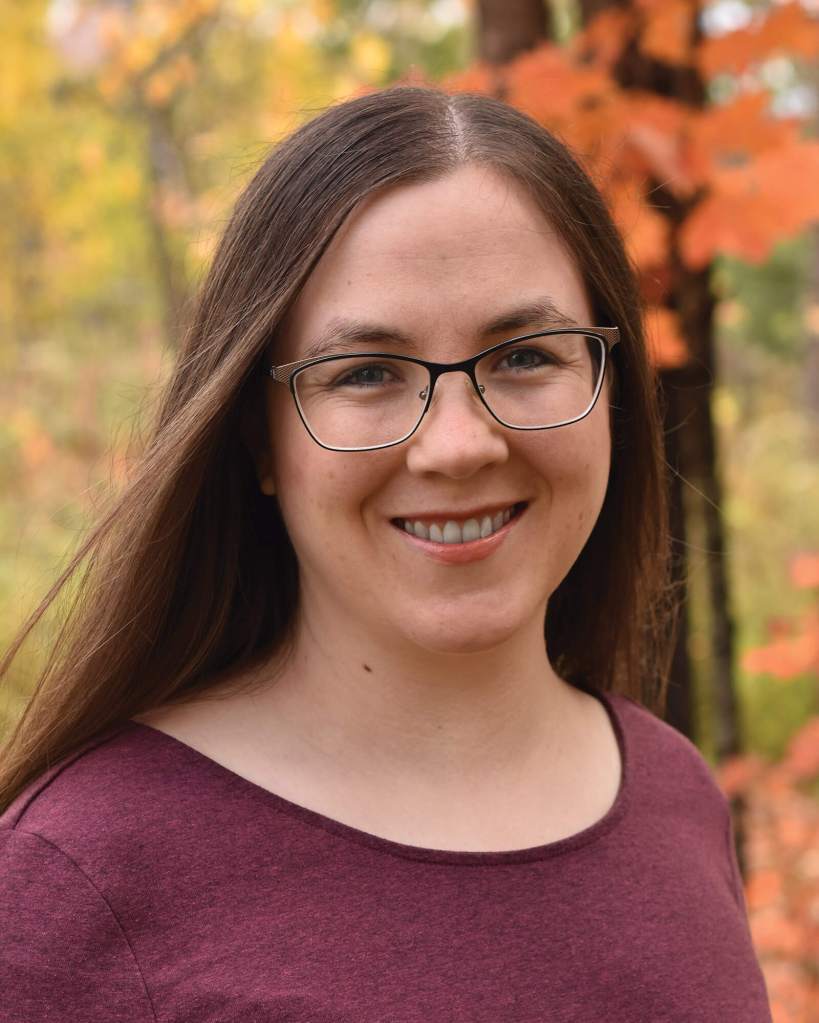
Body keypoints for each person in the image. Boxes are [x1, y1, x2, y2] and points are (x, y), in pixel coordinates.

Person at [0, 85, 771, 1021]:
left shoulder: (672, 792)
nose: (457, 445)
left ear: (608, 388)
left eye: (526, 355)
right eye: (366, 373)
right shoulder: (78, 877)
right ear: (259, 439)